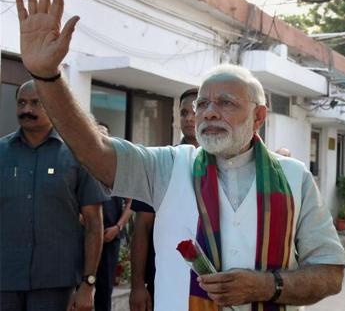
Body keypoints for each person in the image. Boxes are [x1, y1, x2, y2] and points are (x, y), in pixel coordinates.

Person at [15, 0, 345, 311]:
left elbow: (330, 273)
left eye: (226, 103)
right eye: (202, 104)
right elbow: (95, 151)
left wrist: (268, 285)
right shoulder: (170, 166)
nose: (209, 113)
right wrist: (47, 76)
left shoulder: (294, 177)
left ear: (259, 117)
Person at [0, 80, 108, 311]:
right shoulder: (1, 153)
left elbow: (94, 224)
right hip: (5, 280)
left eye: (35, 103)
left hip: (56, 283)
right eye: (21, 103)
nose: (26, 110)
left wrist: (88, 284)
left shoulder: (78, 154)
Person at [129, 88, 199, 311]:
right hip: (162, 279)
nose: (189, 118)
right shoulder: (161, 163)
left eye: (195, 111)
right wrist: (138, 285)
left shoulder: (226, 166)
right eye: (183, 113)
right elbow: (142, 226)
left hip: (210, 283)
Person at [95, 122, 132, 311]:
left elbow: (131, 202)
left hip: (111, 236)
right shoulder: (83, 163)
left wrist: (118, 227)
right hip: (85, 236)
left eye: (104, 134)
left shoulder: (119, 167)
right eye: (97, 133)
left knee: (104, 288)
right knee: (78, 287)